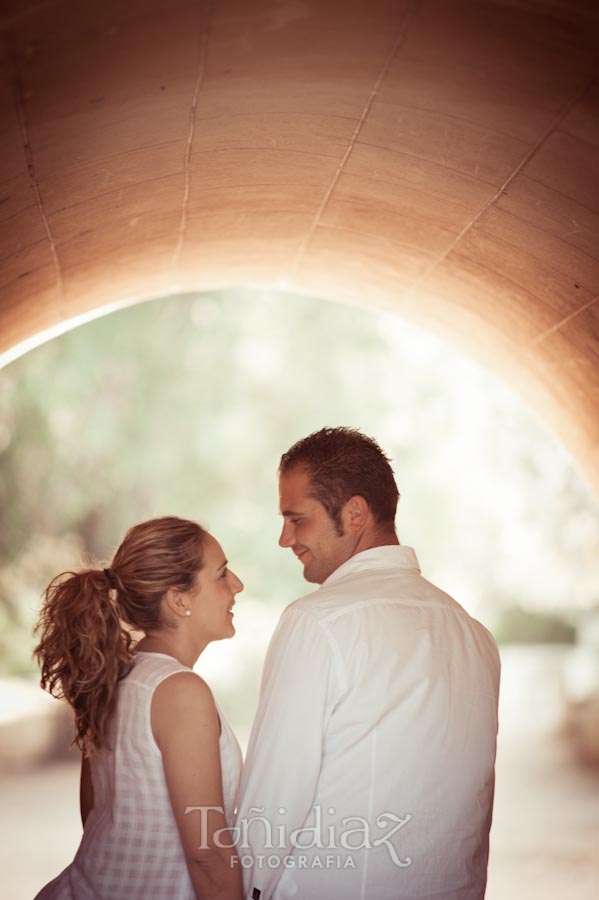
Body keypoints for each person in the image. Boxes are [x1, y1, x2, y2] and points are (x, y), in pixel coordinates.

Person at [236, 427, 501, 900]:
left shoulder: (316, 623)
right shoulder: (474, 636)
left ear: (355, 513)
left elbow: (271, 808)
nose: (284, 538)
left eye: (297, 519)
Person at [34, 515, 244, 900]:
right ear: (179, 599)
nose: (237, 585)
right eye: (222, 573)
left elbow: (95, 815)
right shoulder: (181, 691)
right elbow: (208, 854)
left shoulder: (118, 674)